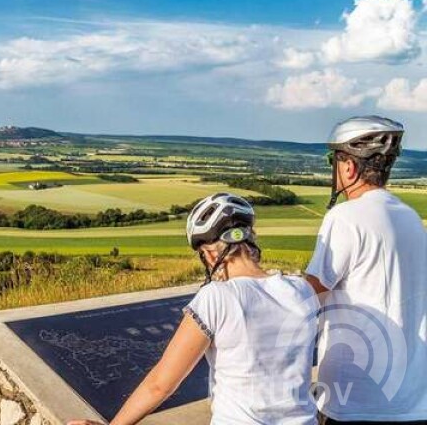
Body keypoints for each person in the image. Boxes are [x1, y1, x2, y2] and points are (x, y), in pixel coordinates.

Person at [69, 193, 319, 425]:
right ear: (251, 240)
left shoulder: (217, 297)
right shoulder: (301, 290)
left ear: (210, 255)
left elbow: (160, 385)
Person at [305, 116, 427, 424]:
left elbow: (310, 294)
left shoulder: (346, 216)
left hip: (357, 398)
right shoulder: (410, 218)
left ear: (348, 166)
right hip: (413, 401)